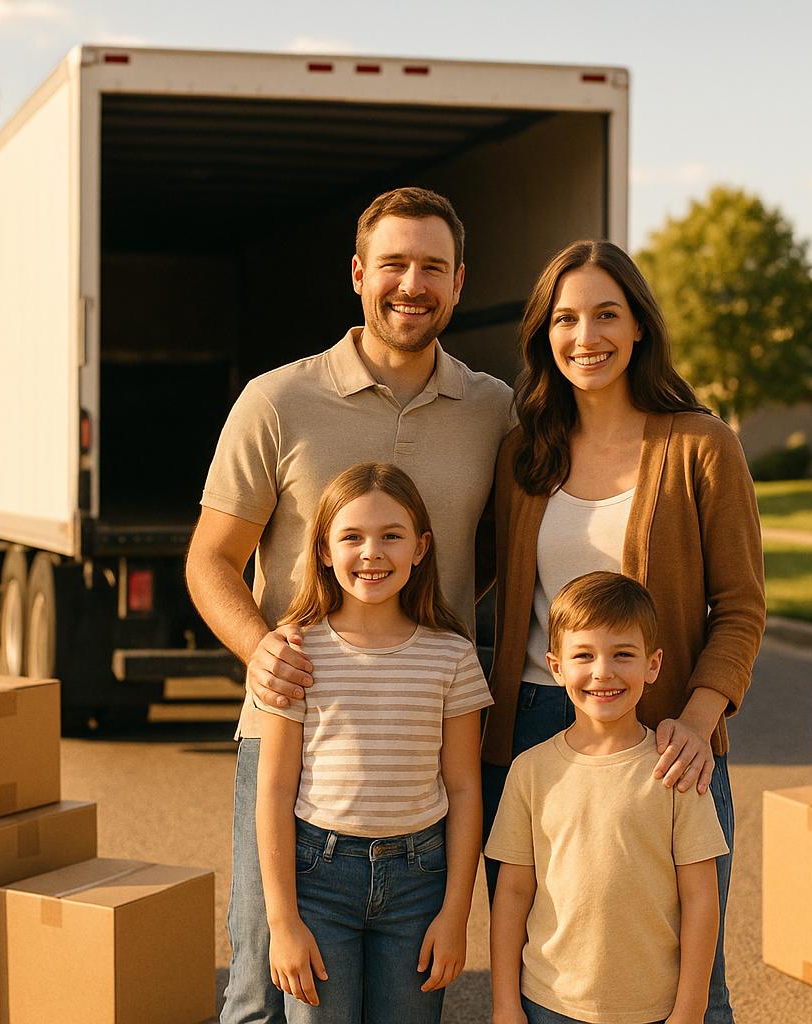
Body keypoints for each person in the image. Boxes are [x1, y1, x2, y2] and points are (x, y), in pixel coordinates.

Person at [186, 187, 514, 1024]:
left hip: (421, 740)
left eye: (432, 267)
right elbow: (211, 561)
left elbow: (497, 557)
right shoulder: (277, 400)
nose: (413, 283)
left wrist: (416, 635)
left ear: (459, 281)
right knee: (262, 985)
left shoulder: (493, 410)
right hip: (292, 734)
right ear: (359, 275)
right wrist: (262, 648)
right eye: (395, 264)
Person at [482, 240, 766, 1023]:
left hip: (667, 736)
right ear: (545, 335)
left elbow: (740, 607)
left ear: (640, 326)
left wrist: (698, 721)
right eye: (565, 319)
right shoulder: (523, 455)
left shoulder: (701, 445)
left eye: (607, 314)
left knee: (686, 983)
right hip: (535, 735)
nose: (587, 336)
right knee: (550, 969)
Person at [256, 462, 490, 1023]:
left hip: (418, 884)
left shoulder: (451, 656)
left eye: (391, 536)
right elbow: (274, 788)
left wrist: (455, 914)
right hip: (318, 881)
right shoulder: (298, 653)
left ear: (421, 547)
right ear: (322, 549)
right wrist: (283, 921)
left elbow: (463, 788)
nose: (371, 553)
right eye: (352, 537)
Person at [487, 571, 727, 1024]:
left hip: (652, 1009)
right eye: (584, 655)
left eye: (623, 654)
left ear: (652, 665)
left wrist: (690, 1010)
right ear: (556, 667)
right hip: (549, 1002)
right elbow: (513, 892)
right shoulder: (530, 772)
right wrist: (505, 1004)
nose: (603, 672)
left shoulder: (675, 771)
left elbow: (700, 898)